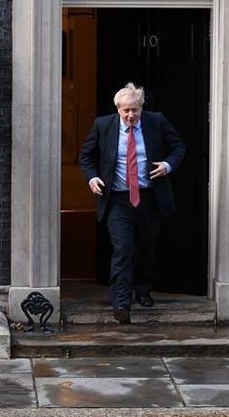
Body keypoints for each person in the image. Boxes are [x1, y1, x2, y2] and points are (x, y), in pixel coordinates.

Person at [78, 83, 186, 324]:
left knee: (146, 247)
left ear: (142, 107)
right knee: (123, 249)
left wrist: (167, 165)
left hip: (149, 197)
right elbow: (86, 156)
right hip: (117, 199)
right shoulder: (103, 125)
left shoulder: (156, 121)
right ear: (117, 109)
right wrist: (92, 178)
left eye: (134, 110)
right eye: (125, 110)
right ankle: (121, 303)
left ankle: (143, 289)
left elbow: (178, 147)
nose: (130, 115)